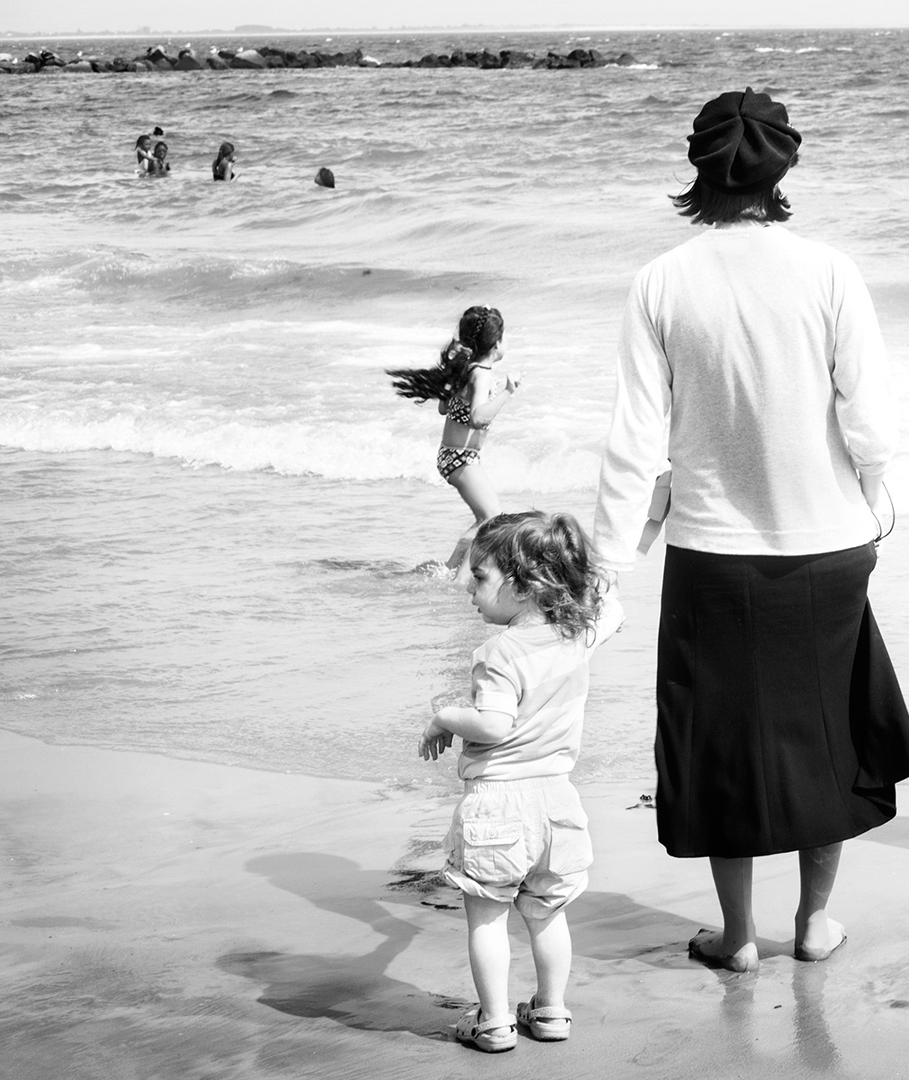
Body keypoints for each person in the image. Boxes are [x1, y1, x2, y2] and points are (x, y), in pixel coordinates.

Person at [591, 88, 909, 974]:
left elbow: (634, 438)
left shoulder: (661, 280)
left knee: (718, 745)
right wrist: (875, 492)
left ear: (697, 170)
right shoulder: (828, 271)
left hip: (711, 553)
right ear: (784, 171)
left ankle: (737, 937)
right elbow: (871, 422)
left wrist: (607, 565)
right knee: (830, 736)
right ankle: (815, 922)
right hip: (826, 543)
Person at [418, 510, 622, 1054]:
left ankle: (494, 1021)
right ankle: (552, 1011)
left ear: (524, 582)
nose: (469, 586)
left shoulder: (499, 652)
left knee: (487, 917)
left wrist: (444, 714)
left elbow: (493, 724)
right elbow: (615, 608)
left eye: (480, 576)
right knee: (547, 912)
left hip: (500, 802)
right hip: (558, 801)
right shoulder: (576, 636)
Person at [385, 306, 521, 565]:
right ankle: (459, 581)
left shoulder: (468, 370)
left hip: (454, 456)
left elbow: (443, 407)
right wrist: (507, 391)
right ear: (496, 344)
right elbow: (478, 418)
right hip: (461, 458)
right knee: (492, 519)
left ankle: (450, 570)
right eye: (505, 335)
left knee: (486, 519)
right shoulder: (481, 374)